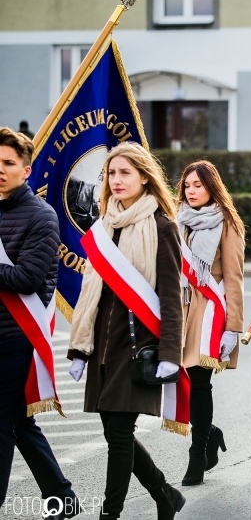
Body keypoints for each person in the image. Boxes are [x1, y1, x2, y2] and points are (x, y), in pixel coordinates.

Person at [67, 142, 185, 519]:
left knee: (118, 438)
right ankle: (165, 494)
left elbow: (171, 295)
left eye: (125, 173)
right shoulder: (102, 227)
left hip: (138, 346)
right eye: (111, 174)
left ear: (144, 177)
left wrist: (171, 353)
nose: (116, 180)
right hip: (103, 345)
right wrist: (80, 349)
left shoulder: (162, 227)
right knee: (117, 435)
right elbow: (93, 295)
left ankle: (110, 513)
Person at [0, 127, 80, 519]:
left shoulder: (42, 216)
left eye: (8, 163)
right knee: (19, 422)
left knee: (2, 426)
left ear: (27, 170)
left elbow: (26, 280)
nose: (0, 170)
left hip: (16, 337)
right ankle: (62, 497)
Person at [176, 160, 245, 486]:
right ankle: (211, 432)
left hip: (209, 311)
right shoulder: (177, 220)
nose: (191, 191)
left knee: (200, 384)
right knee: (178, 382)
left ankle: (197, 455)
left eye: (198, 185)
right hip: (180, 308)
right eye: (187, 185)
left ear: (211, 187)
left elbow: (234, 278)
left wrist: (234, 326)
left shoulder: (227, 222)